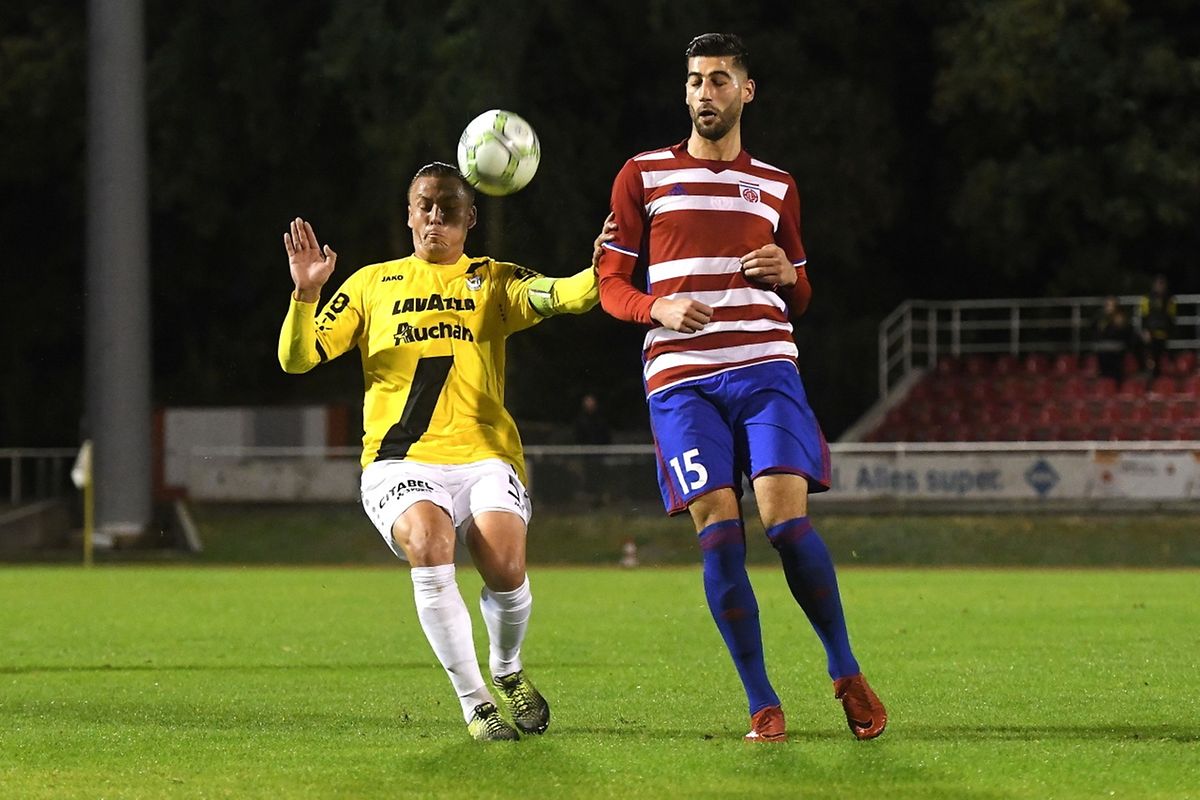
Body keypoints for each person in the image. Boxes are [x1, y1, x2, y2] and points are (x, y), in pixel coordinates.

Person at [596, 33, 886, 743]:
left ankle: (844, 669)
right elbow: (609, 283)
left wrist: (791, 278)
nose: (704, 94)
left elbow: (803, 290)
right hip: (680, 380)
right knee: (720, 535)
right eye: (695, 81)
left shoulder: (778, 186)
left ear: (745, 91)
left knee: (786, 524)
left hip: (765, 367)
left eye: (719, 80)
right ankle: (763, 703)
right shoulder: (642, 175)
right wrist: (654, 306)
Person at [279, 162, 607, 741]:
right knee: (431, 544)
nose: (436, 216)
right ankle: (475, 700)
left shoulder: (494, 281)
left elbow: (564, 297)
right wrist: (306, 295)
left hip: (484, 455)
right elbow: (298, 358)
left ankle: (507, 670)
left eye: (449, 207)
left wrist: (603, 267)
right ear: (408, 215)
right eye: (425, 205)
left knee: (506, 566)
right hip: (399, 463)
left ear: (470, 219)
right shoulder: (371, 285)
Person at [1138, 274, 1176, 378]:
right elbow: (1143, 317)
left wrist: (1169, 333)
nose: (1160, 286)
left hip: (1163, 334)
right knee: (1149, 357)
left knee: (1162, 359)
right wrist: (1145, 331)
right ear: (1154, 285)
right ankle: (1149, 377)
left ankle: (1160, 380)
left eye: (1162, 284)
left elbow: (1171, 319)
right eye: (1158, 284)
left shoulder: (1170, 300)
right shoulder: (1146, 299)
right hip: (1150, 334)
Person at [1092, 295, 1132, 386]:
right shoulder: (1099, 317)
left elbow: (1127, 335)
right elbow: (1095, 332)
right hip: (1103, 351)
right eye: (1108, 304)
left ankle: (1117, 389)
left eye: (1112, 305)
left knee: (1116, 376)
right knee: (1104, 376)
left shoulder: (1121, 318)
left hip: (1117, 351)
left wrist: (1121, 326)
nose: (1109, 307)